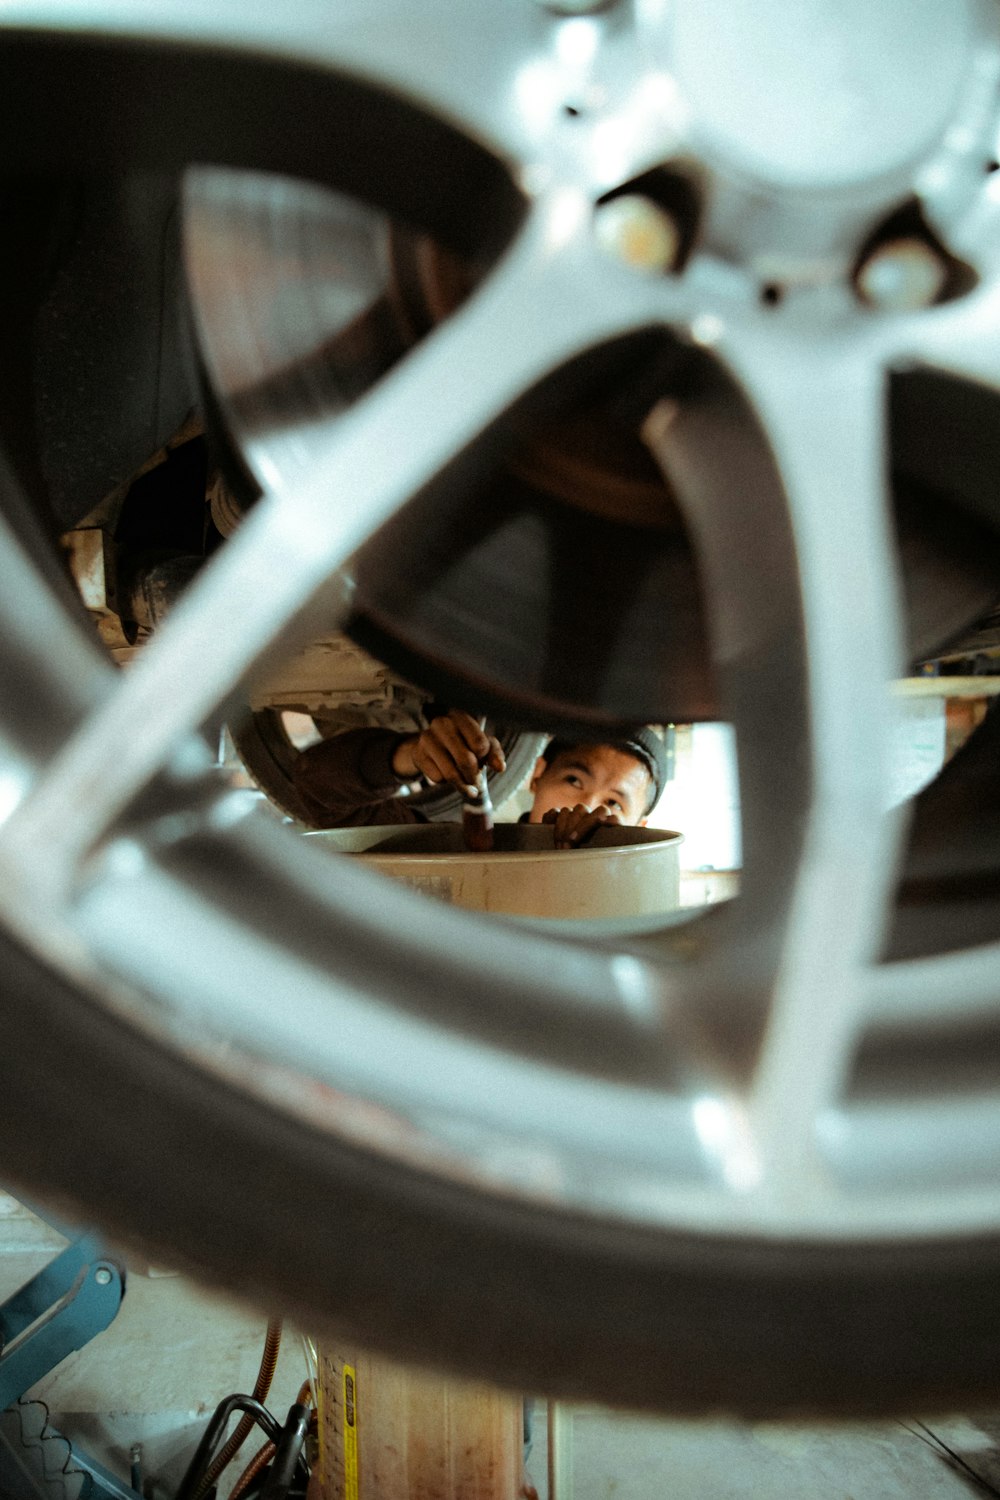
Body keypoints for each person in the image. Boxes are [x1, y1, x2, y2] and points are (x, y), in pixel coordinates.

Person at [293, 709, 666, 846]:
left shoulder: (636, 909)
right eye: (573, 780)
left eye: (614, 802)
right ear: (536, 775)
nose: (585, 806)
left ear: (641, 824)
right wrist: (409, 755)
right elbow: (317, 792)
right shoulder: (462, 847)